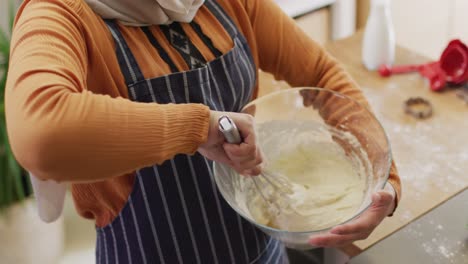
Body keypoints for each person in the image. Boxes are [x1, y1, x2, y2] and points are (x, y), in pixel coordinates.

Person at [5, 0, 401, 263]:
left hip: (261, 253)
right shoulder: (60, 16)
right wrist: (200, 128)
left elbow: (322, 75)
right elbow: (41, 133)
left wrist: (384, 183)